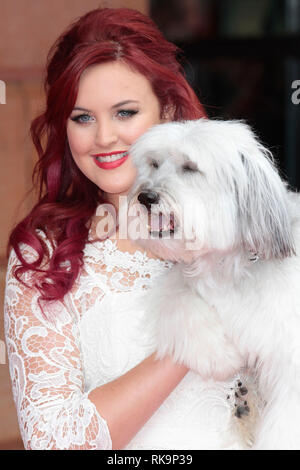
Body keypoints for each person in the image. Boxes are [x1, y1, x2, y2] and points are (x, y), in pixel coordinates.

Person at [4, 8, 252, 450]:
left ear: (169, 109)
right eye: (82, 117)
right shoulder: (44, 257)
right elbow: (53, 442)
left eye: (125, 112)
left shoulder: (241, 223)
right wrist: (189, 339)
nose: (103, 137)